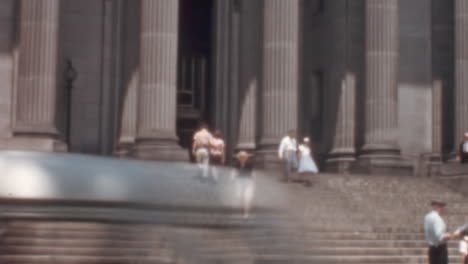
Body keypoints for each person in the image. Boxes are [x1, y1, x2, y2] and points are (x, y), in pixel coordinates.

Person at [424, 200, 453, 264]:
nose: (443, 209)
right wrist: (451, 235)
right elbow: (441, 236)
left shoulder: (427, 217)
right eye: (441, 207)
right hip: (440, 249)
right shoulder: (437, 219)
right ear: (437, 207)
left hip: (432, 247)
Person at [231, 151, 255, 219]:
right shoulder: (237, 164)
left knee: (246, 197)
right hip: (239, 182)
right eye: (241, 157)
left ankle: (246, 212)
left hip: (248, 181)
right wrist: (232, 177)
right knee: (240, 196)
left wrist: (253, 181)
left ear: (246, 158)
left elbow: (252, 173)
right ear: (239, 158)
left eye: (244, 157)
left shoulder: (249, 164)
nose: (242, 159)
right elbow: (234, 171)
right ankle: (244, 206)